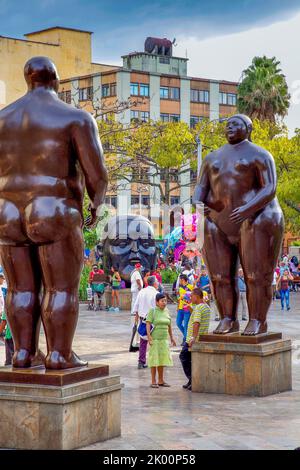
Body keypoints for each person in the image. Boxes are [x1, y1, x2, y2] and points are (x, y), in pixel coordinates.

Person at [0, 56, 108, 369]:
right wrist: (96, 203)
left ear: (27, 80)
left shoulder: (3, 119)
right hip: (52, 207)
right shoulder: (75, 118)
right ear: (55, 81)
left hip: (6, 211)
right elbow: (96, 174)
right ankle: (60, 355)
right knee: (61, 288)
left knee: (20, 288)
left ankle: (23, 353)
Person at [193, 114, 284, 336]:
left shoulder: (260, 155)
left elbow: (269, 187)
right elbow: (200, 188)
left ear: (248, 128)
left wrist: (247, 209)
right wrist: (197, 202)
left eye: (236, 124)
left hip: (257, 218)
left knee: (255, 275)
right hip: (217, 221)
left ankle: (257, 320)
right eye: (228, 124)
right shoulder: (211, 158)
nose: (230, 127)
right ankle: (227, 318)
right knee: (219, 277)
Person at [179, 288, 211, 390]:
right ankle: (191, 381)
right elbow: (198, 317)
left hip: (192, 340)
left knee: (183, 357)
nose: (190, 298)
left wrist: (193, 337)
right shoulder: (206, 307)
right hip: (201, 338)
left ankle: (192, 379)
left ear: (197, 296)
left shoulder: (198, 308)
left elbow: (196, 323)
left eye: (191, 296)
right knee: (191, 360)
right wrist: (191, 309)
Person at [146, 293, 176, 388]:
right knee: (154, 360)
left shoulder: (166, 311)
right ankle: (153, 381)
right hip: (154, 340)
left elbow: (169, 325)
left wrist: (172, 337)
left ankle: (161, 380)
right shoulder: (153, 311)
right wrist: (149, 336)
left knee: (162, 360)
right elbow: (148, 323)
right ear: (157, 302)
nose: (164, 303)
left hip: (164, 340)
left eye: (165, 301)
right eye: (162, 301)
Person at [133, 276, 158, 369]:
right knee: (154, 341)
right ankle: (155, 361)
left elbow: (136, 306)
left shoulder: (142, 292)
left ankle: (141, 361)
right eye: (157, 282)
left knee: (143, 342)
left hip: (143, 319)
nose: (158, 283)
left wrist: (136, 319)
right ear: (154, 283)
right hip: (153, 321)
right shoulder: (156, 293)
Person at [0, 273, 14, 365]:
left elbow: (4, 322)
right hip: (16, 336)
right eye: (2, 278)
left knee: (10, 354)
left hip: (9, 335)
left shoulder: (8, 307)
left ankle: (9, 364)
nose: (3, 280)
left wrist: (0, 330)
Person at [176, 274, 194, 344]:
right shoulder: (180, 288)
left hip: (187, 308)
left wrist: (187, 299)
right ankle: (186, 336)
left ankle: (186, 340)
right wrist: (177, 307)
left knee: (186, 325)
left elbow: (193, 298)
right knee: (178, 323)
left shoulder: (191, 287)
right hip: (180, 308)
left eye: (179, 280)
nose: (179, 281)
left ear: (182, 280)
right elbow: (179, 298)